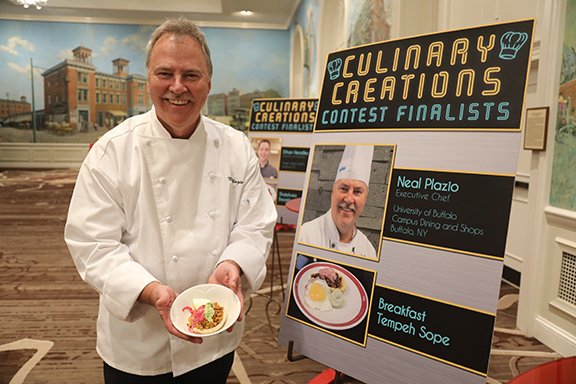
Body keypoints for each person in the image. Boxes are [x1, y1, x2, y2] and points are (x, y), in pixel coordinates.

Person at [64, 17, 277, 383]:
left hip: (216, 332)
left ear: (208, 83)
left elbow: (255, 223)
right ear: (148, 78)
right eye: (165, 73)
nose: (177, 87)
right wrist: (151, 291)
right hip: (140, 343)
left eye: (191, 75)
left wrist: (233, 265)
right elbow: (92, 244)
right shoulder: (111, 152)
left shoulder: (235, 146)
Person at [299, 145, 377, 259]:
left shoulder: (368, 251)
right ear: (332, 193)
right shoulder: (306, 235)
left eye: (357, 192)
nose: (349, 199)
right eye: (344, 189)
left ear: (365, 199)